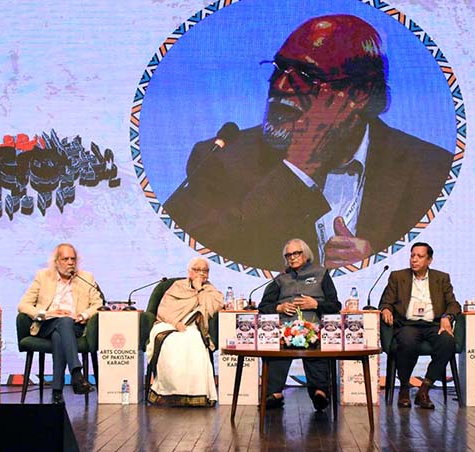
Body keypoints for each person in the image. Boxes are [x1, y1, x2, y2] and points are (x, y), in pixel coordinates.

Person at [164, 14, 453, 271]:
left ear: (359, 93)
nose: (280, 86)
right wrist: (298, 168)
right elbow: (208, 249)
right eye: (279, 69)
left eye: (305, 76)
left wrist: (378, 262)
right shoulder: (221, 159)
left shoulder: (430, 171)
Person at [258, 239, 341, 411]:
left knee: (316, 347)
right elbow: (263, 307)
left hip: (314, 327)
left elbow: (335, 305)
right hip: (285, 329)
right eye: (288, 255)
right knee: (275, 347)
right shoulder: (280, 279)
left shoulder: (321, 273)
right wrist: (279, 307)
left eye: (296, 253)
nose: (292, 258)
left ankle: (320, 392)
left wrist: (316, 305)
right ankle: (274, 394)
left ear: (305, 254)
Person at [378, 242, 460, 409]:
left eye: (419, 256)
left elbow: (453, 304)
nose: (414, 260)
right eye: (412, 255)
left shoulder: (441, 278)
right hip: (408, 324)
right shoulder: (397, 277)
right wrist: (386, 309)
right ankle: (404, 388)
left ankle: (425, 388)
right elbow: (386, 301)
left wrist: (447, 316)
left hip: (433, 324)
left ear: (429, 260)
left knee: (448, 342)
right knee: (408, 341)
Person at [18, 243, 100, 404]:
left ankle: (57, 393)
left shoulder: (86, 278)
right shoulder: (43, 276)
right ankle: (76, 374)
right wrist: (45, 314)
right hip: (46, 324)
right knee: (61, 323)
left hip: (74, 324)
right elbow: (23, 305)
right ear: (56, 261)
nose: (70, 262)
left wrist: (83, 315)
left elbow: (98, 304)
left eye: (73, 259)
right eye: (65, 259)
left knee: (60, 333)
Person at [146, 257, 223, 406]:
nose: (201, 273)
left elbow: (212, 308)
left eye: (205, 270)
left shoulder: (210, 290)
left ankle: (194, 395)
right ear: (189, 271)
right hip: (167, 324)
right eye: (197, 270)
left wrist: (199, 289)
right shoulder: (177, 286)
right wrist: (176, 323)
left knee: (193, 341)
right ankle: (168, 393)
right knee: (170, 342)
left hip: (192, 326)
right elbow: (163, 310)